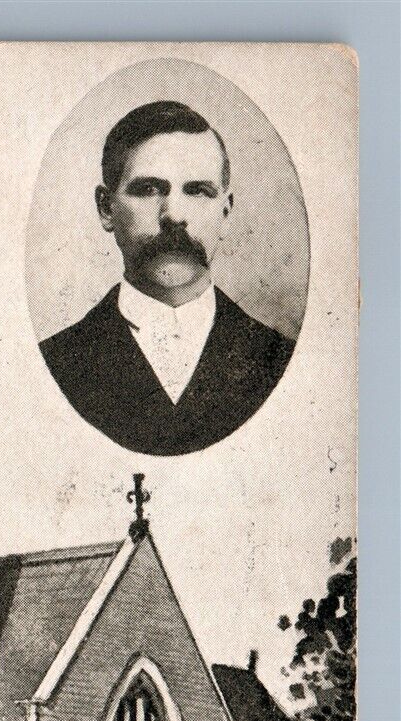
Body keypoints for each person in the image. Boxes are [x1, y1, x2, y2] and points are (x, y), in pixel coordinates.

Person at [39, 99, 296, 455]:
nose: (173, 215)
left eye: (198, 191)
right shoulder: (58, 362)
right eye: (148, 189)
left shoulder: (278, 360)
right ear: (106, 208)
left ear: (225, 211)